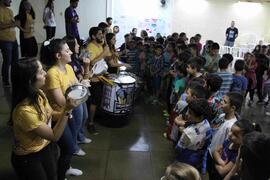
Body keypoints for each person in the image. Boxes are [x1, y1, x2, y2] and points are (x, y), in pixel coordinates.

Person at [10, 57, 78, 180]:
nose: (46, 73)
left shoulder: (39, 94)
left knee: (53, 175)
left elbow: (50, 114)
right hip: (29, 156)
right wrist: (67, 111)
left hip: (45, 147)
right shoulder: (24, 111)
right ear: (30, 80)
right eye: (41, 72)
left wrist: (65, 112)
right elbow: (54, 136)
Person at [41, 38, 85, 179]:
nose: (71, 51)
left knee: (71, 144)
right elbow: (61, 101)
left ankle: (66, 168)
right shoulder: (53, 73)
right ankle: (61, 175)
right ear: (58, 56)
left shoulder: (69, 67)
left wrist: (82, 85)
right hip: (58, 115)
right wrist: (81, 91)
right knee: (68, 148)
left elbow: (77, 86)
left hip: (70, 111)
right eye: (67, 50)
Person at [207, 92, 244, 180]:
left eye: (225, 102)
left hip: (218, 158)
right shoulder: (222, 115)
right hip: (212, 152)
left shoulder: (231, 125)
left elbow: (226, 146)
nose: (221, 103)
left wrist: (219, 160)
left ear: (233, 108)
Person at [175, 98, 212, 171]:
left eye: (190, 113)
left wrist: (183, 132)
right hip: (197, 156)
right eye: (188, 110)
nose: (186, 114)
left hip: (185, 157)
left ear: (200, 117)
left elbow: (179, 148)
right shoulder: (207, 124)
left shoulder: (187, 133)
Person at [85, 27, 109, 134]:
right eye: (99, 34)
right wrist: (104, 53)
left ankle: (94, 118)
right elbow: (90, 63)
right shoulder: (89, 47)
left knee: (97, 101)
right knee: (94, 102)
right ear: (93, 36)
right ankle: (90, 123)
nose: (102, 35)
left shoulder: (100, 45)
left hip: (100, 77)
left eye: (102, 34)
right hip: (93, 80)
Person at [0, 0, 19, 86]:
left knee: (15, 61)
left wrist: (17, 23)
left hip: (14, 39)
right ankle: (5, 80)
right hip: (5, 40)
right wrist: (13, 24)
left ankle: (14, 78)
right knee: (7, 61)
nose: (11, 1)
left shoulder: (10, 11)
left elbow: (13, 23)